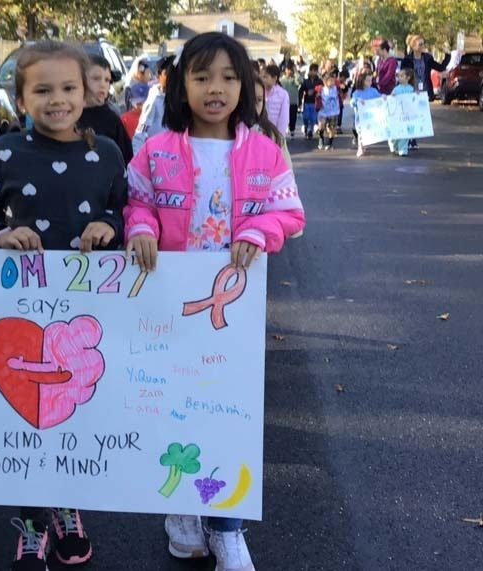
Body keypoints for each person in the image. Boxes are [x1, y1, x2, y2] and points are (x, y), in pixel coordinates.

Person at [124, 32, 305, 571]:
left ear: (245, 85)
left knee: (227, 416)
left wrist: (260, 230)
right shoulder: (156, 151)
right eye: (201, 77)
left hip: (231, 314)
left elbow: (289, 213)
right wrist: (140, 228)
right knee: (173, 409)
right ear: (181, 85)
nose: (215, 88)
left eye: (228, 77)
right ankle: (182, 511)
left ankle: (227, 526)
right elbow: (136, 203)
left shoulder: (265, 152)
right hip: (169, 311)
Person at [0, 41, 127, 571]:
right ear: (20, 99)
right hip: (22, 307)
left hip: (87, 310)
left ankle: (67, 507)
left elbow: (124, 209)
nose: (57, 99)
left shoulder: (107, 152)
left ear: (87, 93)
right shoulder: (1, 154)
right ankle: (32, 520)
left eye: (68, 88)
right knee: (30, 411)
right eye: (42, 90)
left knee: (75, 409)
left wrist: (110, 226)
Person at [79, 54, 134, 163]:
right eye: (96, 78)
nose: (103, 85)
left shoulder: (111, 119)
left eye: (107, 80)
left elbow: (127, 159)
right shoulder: (70, 116)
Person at [132, 55, 174, 152]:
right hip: (160, 154)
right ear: (158, 75)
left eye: (175, 73)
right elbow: (140, 133)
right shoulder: (154, 100)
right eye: (167, 73)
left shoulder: (181, 98)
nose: (172, 77)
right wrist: (136, 157)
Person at [253, 73, 292, 169]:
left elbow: (287, 174)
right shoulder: (233, 134)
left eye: (259, 100)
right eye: (248, 100)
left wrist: (280, 133)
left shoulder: (273, 135)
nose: (253, 106)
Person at [350, 71, 381, 156]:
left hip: (371, 117)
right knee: (360, 132)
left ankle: (364, 144)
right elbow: (352, 102)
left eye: (371, 80)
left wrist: (384, 97)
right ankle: (360, 147)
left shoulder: (373, 91)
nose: (370, 82)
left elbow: (380, 98)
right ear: (362, 81)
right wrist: (357, 100)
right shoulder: (357, 92)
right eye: (368, 80)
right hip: (360, 118)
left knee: (368, 132)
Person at [389, 68, 417, 157]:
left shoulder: (411, 89)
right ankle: (393, 144)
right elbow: (391, 100)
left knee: (405, 132)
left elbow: (414, 99)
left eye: (401, 76)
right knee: (396, 131)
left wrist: (417, 96)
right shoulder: (396, 89)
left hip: (407, 114)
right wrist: (392, 97)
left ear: (408, 78)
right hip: (398, 114)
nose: (399, 78)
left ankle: (403, 149)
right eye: (398, 76)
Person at [260, 64, 289, 140]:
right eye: (261, 77)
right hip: (260, 132)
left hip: (275, 133)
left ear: (274, 78)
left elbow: (284, 118)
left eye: (265, 77)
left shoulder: (283, 94)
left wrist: (279, 135)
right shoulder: (259, 92)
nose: (262, 79)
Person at [315, 72, 340, 150]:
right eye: (330, 81)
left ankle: (330, 143)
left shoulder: (336, 88)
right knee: (321, 125)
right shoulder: (321, 89)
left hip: (334, 112)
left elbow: (343, 90)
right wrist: (317, 96)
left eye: (333, 80)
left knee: (332, 128)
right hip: (323, 111)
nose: (332, 82)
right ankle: (321, 138)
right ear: (325, 81)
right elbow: (315, 93)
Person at [298, 63, 321, 139]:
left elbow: (322, 89)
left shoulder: (319, 81)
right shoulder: (306, 81)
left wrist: (315, 92)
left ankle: (310, 130)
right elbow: (301, 91)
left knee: (313, 118)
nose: (313, 72)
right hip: (307, 101)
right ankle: (305, 125)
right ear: (309, 71)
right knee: (305, 116)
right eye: (312, 70)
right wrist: (300, 101)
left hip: (315, 102)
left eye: (315, 70)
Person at [279, 64, 300, 137]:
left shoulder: (294, 79)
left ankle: (292, 130)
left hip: (293, 101)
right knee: (284, 116)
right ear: (285, 70)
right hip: (283, 102)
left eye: (290, 69)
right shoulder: (281, 80)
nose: (289, 71)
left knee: (293, 116)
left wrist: (296, 72)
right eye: (288, 69)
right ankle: (285, 127)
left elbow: (301, 81)